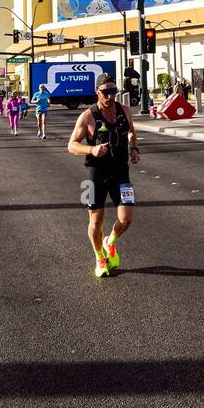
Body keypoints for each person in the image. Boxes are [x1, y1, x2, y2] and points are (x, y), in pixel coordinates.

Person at [67, 75, 139, 279]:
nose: (110, 95)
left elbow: (131, 132)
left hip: (120, 172)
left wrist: (133, 147)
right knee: (95, 221)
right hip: (94, 174)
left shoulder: (124, 111)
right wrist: (92, 149)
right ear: (96, 91)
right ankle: (100, 257)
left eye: (113, 91)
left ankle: (111, 242)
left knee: (126, 219)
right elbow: (72, 145)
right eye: (106, 92)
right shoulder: (88, 116)